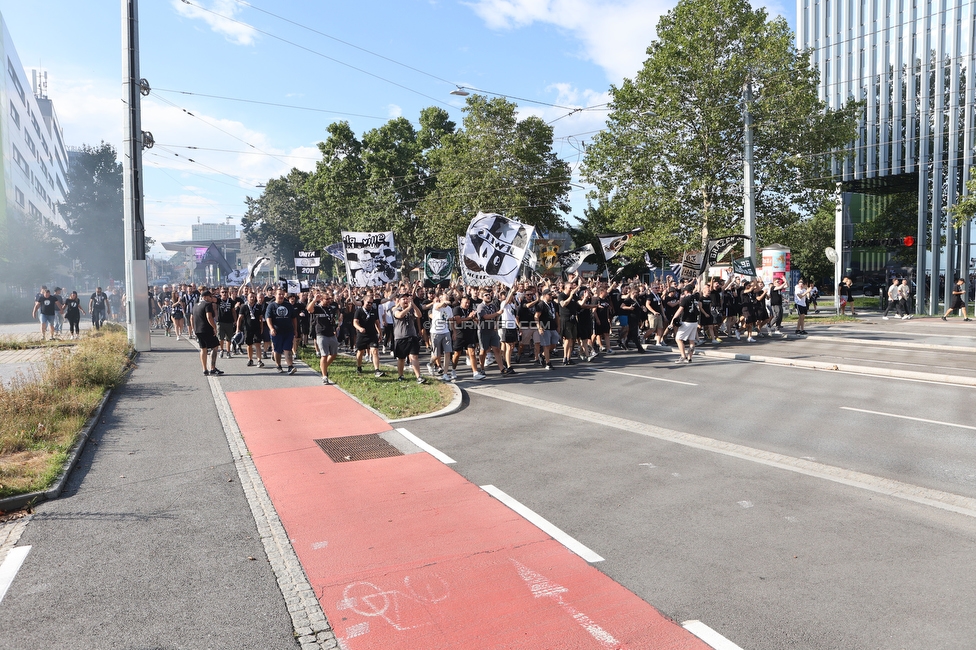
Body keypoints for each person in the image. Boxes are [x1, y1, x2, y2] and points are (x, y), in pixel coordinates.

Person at [307, 289, 341, 384]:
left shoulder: (331, 308)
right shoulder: (317, 308)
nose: (329, 300)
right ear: (321, 299)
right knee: (324, 355)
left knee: (334, 354)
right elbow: (309, 309)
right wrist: (314, 300)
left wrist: (337, 324)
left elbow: (336, 317)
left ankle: (323, 367)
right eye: (326, 299)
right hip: (321, 334)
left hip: (331, 333)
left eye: (329, 298)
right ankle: (324, 376)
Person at [392, 292, 426, 383]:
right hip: (400, 337)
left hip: (412, 336)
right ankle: (400, 375)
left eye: (407, 298)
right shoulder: (396, 309)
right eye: (403, 299)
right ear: (399, 301)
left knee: (414, 356)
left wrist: (413, 305)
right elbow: (400, 315)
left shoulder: (411, 308)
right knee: (401, 358)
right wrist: (408, 308)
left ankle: (419, 377)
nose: (406, 300)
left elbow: (419, 315)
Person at [265, 289, 299, 374]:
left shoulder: (288, 305)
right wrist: (271, 328)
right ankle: (278, 365)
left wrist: (295, 329)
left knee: (288, 349)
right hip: (277, 332)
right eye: (279, 294)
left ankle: (290, 366)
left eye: (282, 294)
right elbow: (268, 318)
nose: (281, 296)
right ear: (275, 295)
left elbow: (294, 318)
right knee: (277, 350)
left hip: (288, 331)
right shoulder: (271, 306)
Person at [353, 292, 385, 378]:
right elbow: (355, 322)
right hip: (362, 335)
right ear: (363, 301)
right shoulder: (358, 311)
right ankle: (359, 366)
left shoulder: (374, 311)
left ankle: (377, 370)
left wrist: (380, 332)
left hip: (372, 334)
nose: (370, 304)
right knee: (360, 352)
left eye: (371, 303)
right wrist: (359, 328)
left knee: (375, 351)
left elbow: (377, 323)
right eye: (368, 302)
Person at [192, 290, 223, 376]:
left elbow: (192, 318)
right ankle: (212, 368)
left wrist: (194, 328)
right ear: (205, 297)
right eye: (210, 297)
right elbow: (209, 317)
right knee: (215, 346)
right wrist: (214, 327)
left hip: (198, 329)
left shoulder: (195, 306)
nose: (211, 298)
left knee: (203, 349)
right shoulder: (207, 305)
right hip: (206, 329)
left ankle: (204, 369)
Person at [669, 283, 701, 363]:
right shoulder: (695, 297)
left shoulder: (685, 299)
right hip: (694, 322)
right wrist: (698, 281)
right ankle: (690, 358)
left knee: (678, 339)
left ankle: (683, 356)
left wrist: (673, 320)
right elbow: (698, 291)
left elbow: (680, 310)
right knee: (691, 341)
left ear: (686, 291)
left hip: (687, 321)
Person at [428, 290, 455, 380]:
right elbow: (439, 305)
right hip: (435, 332)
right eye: (445, 298)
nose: (448, 299)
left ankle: (445, 373)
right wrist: (444, 301)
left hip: (446, 331)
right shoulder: (436, 305)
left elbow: (451, 320)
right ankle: (430, 363)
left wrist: (454, 331)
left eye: (448, 298)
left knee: (448, 352)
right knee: (437, 354)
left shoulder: (449, 309)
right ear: (440, 299)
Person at [236, 292, 265, 368]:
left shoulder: (258, 306)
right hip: (247, 328)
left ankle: (259, 360)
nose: (252, 298)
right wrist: (237, 328)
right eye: (250, 297)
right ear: (247, 298)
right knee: (249, 344)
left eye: (253, 297)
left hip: (257, 328)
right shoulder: (244, 307)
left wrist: (262, 328)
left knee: (258, 344)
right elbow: (239, 318)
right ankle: (250, 359)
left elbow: (261, 319)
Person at [535, 289, 560, 370]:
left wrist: (558, 326)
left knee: (554, 344)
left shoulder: (553, 304)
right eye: (549, 295)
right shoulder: (541, 304)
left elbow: (556, 315)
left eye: (551, 294)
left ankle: (542, 354)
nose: (551, 296)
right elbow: (536, 316)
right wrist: (539, 327)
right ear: (545, 295)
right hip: (545, 327)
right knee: (546, 345)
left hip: (553, 326)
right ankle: (548, 363)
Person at [215, 288, 237, 358]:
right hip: (220, 321)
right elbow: (214, 306)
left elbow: (233, 311)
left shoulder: (231, 301)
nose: (224, 294)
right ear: (220, 293)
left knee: (228, 338)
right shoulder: (218, 300)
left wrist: (235, 320)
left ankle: (228, 351)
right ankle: (221, 350)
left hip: (229, 322)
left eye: (226, 292)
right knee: (220, 338)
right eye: (223, 292)